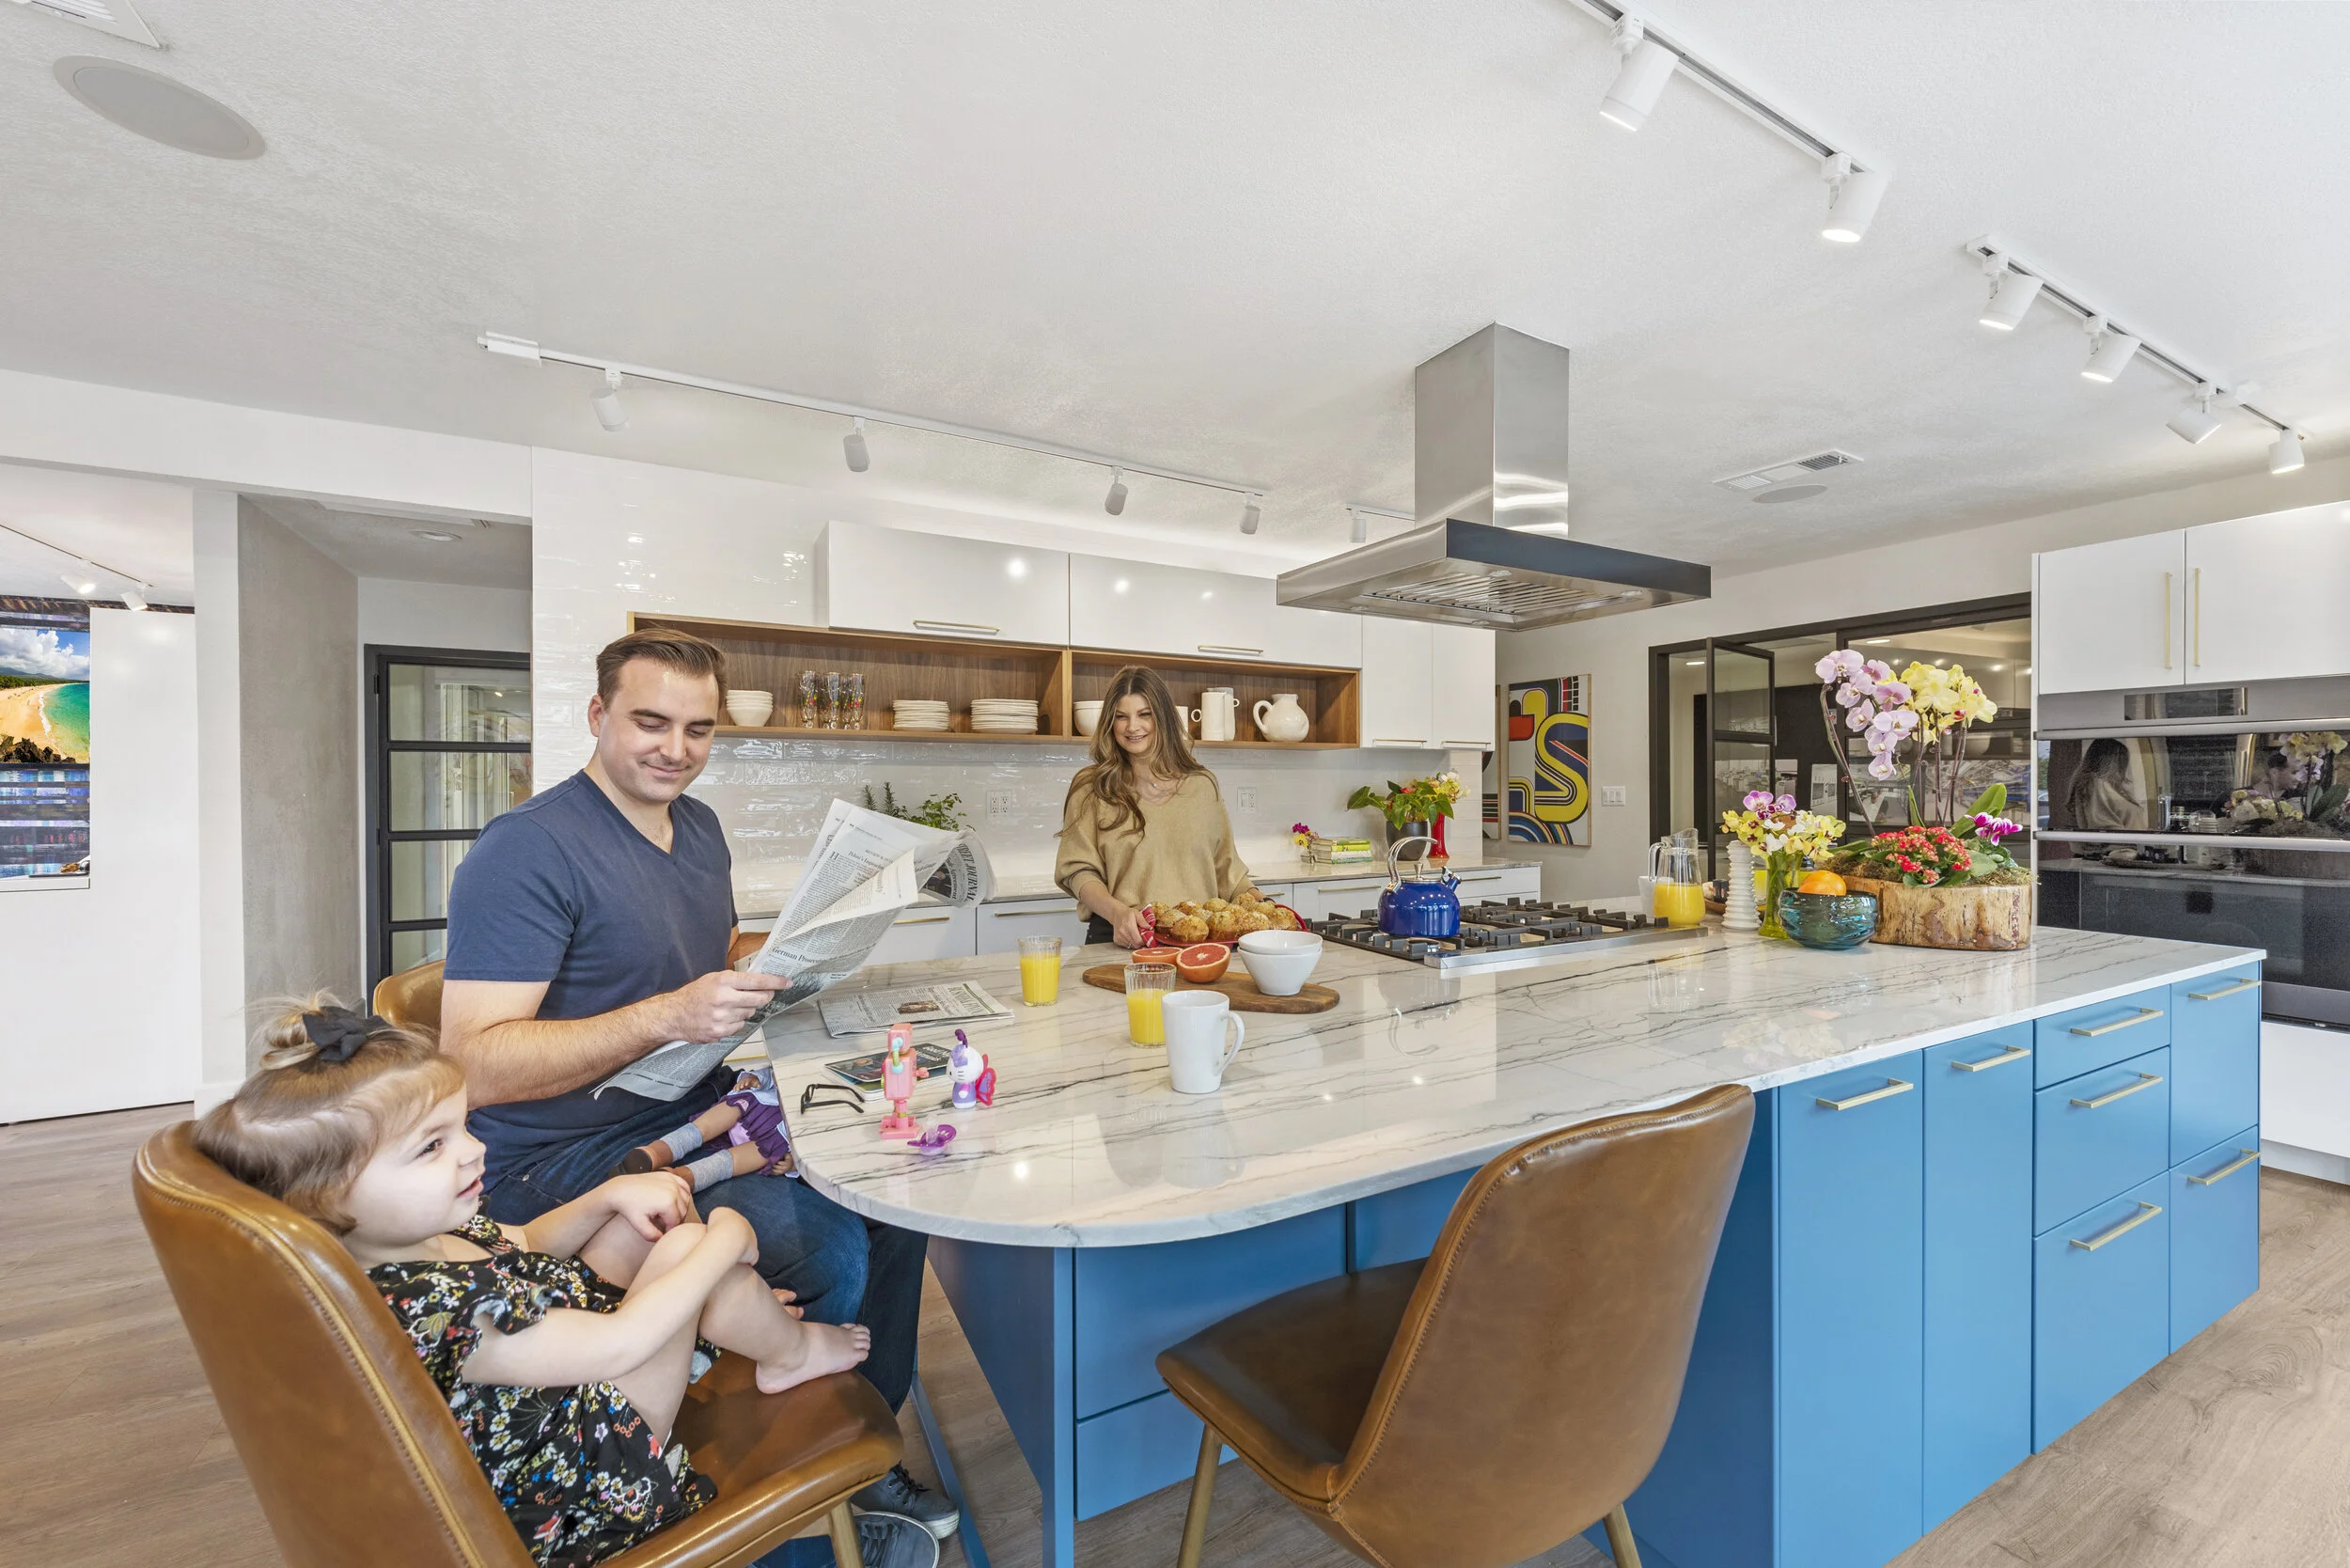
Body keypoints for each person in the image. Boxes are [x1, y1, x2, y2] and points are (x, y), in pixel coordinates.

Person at [439, 627, 954, 1541]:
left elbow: (684, 962)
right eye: (649, 722)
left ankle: (859, 1460)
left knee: (891, 1183)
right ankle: (777, 1519)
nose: (675, 749)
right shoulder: (527, 850)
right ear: (597, 716)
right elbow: (473, 1059)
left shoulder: (701, 827)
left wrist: (773, 958)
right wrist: (669, 1015)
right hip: (563, 1159)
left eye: (698, 729)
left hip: (690, 1111)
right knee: (829, 1248)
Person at [193, 998, 940, 1568]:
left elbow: (528, 1241)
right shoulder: (435, 1313)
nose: (472, 1154)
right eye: (430, 1149)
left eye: (461, 1128)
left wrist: (604, 1200)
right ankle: (790, 1351)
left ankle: (756, 1327)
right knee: (688, 1248)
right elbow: (621, 1344)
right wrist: (724, 1244)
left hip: (559, 1388)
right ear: (328, 1201)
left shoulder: (412, 1238)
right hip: (588, 1476)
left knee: (645, 1233)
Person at [1056, 665, 1256, 947]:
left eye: (1144, 714)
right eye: (1121, 717)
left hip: (1197, 944)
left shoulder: (1202, 785)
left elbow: (1229, 872)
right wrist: (1118, 913)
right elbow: (1078, 871)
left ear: (1163, 718)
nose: (1132, 727)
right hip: (1123, 940)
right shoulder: (1092, 787)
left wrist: (1265, 905)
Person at [2067, 737, 2146, 831]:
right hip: (2123, 845)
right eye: (2122, 761)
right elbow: (2105, 828)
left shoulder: (2107, 786)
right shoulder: (2097, 785)